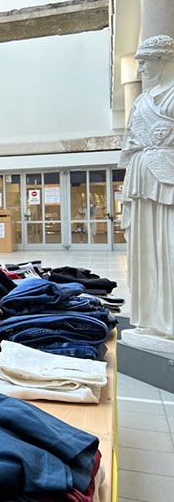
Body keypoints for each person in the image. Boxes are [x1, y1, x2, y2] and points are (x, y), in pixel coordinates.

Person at [119, 34, 174, 339]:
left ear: (164, 60)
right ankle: (150, 315)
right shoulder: (140, 101)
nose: (140, 69)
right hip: (141, 179)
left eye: (145, 62)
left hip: (167, 179)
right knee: (145, 249)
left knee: (169, 246)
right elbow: (130, 144)